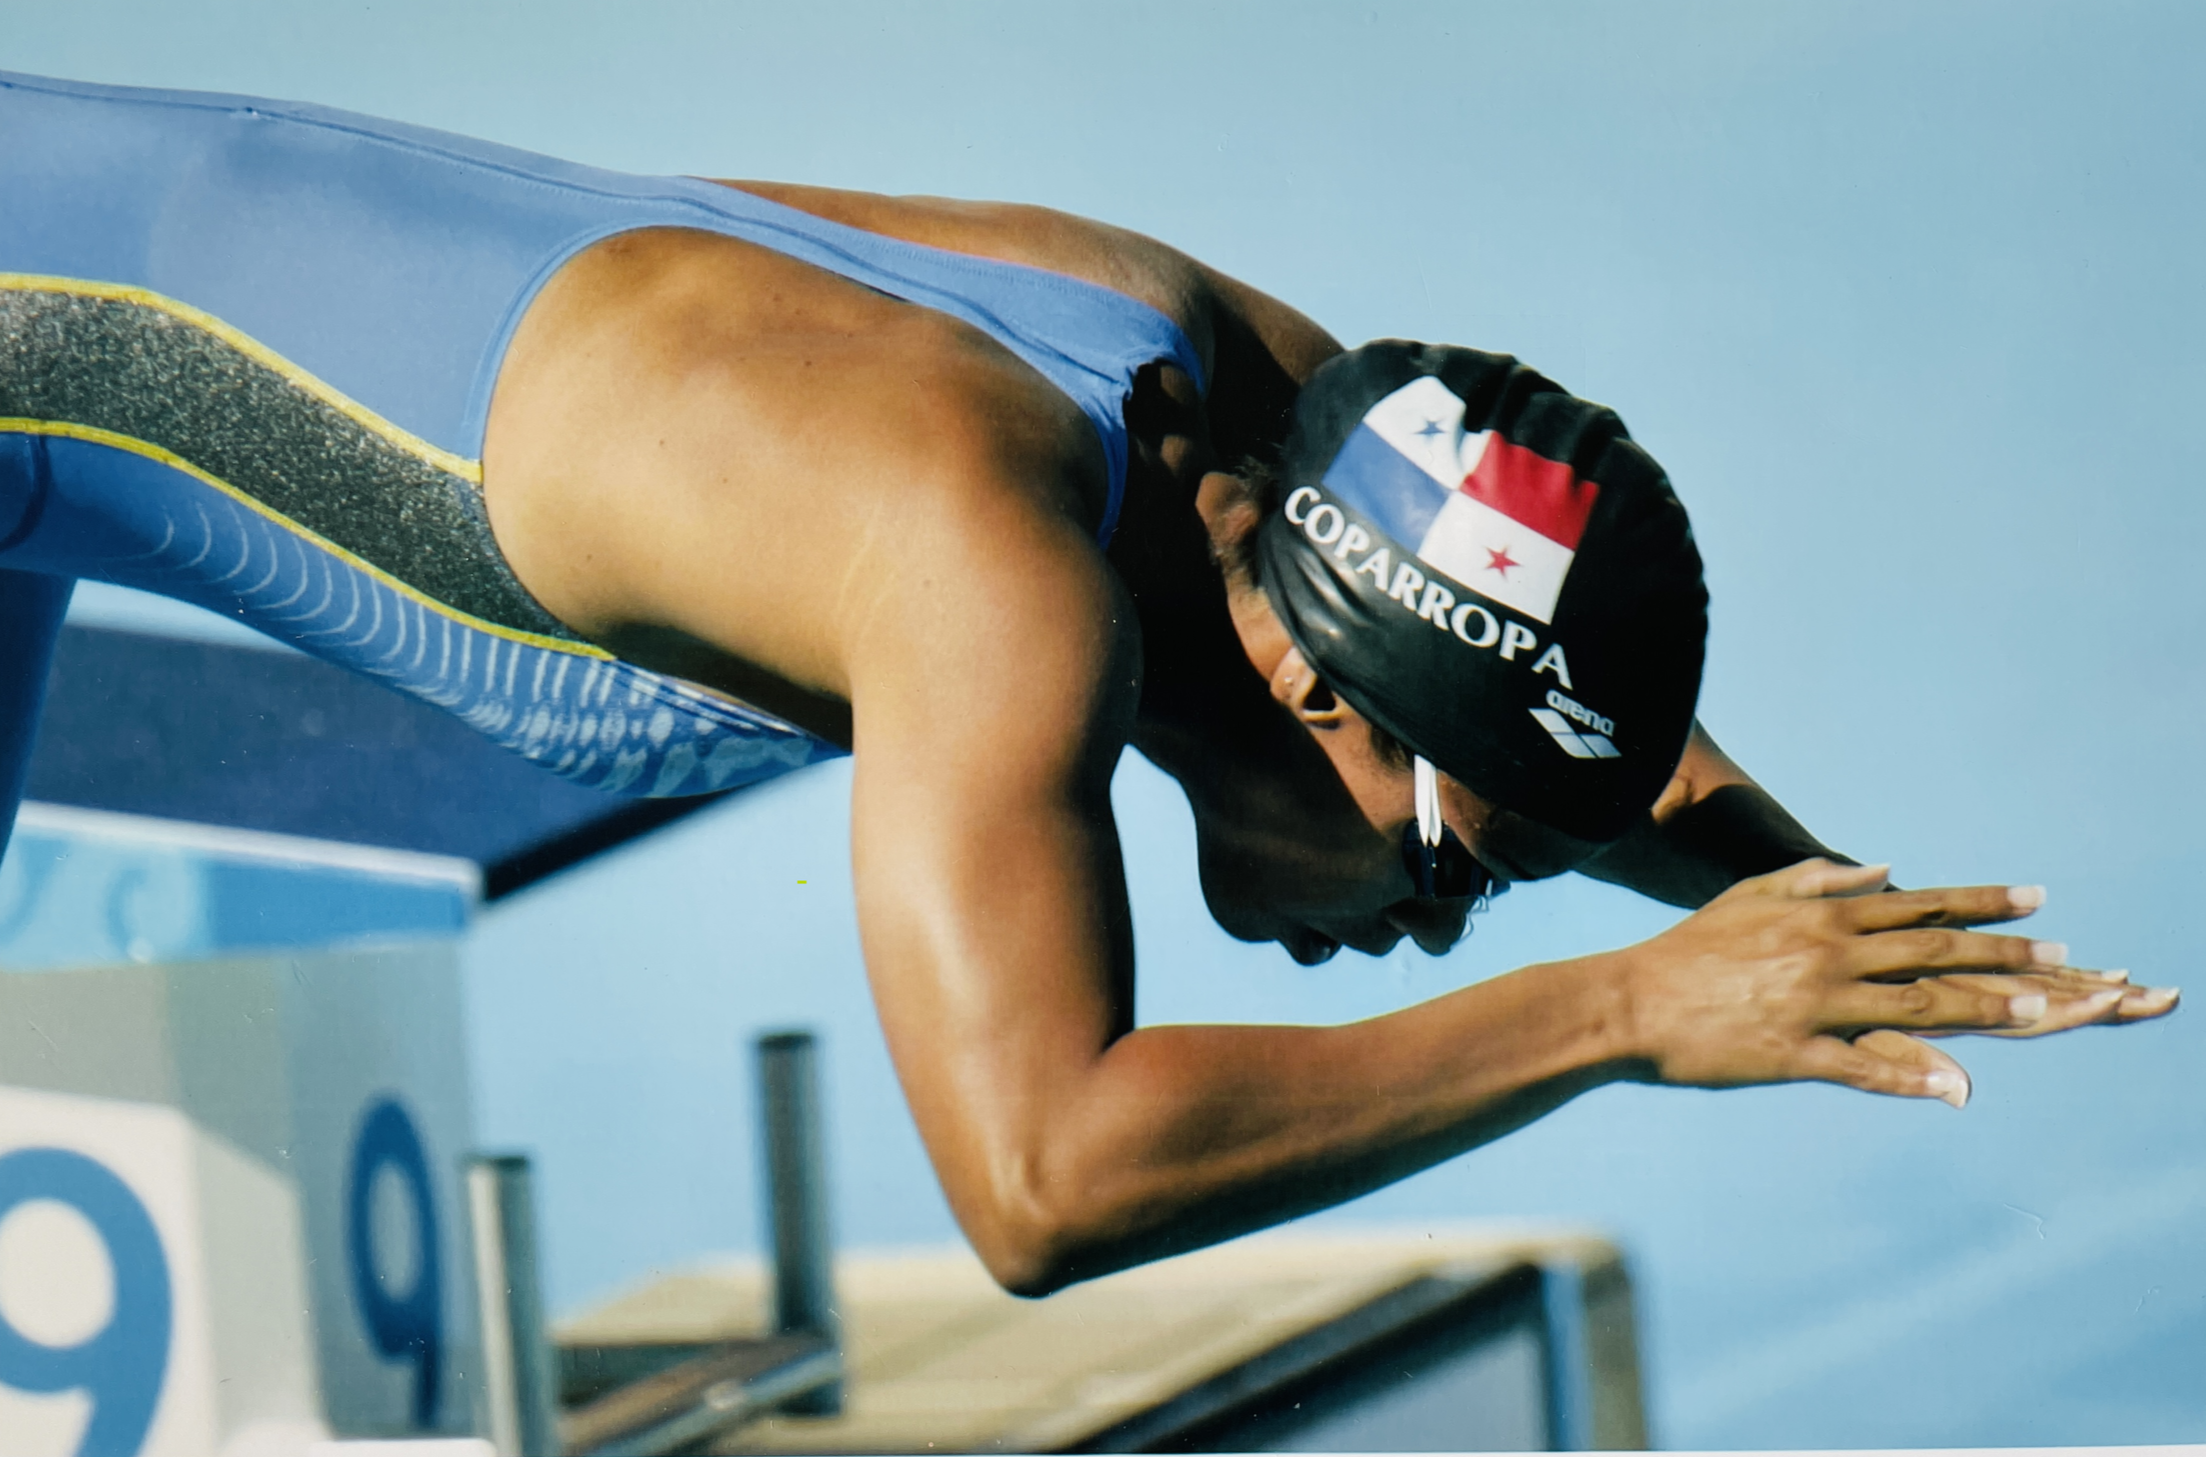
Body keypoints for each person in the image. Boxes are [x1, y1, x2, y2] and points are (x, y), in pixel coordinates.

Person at [0, 70, 2175, 1296]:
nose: (1413, 932)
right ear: (1331, 700)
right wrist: (1620, 1014)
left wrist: (1816, 918)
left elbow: (1549, 693)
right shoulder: (981, 572)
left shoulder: (1256, 412)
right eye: (1458, 882)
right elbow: (1039, 1178)